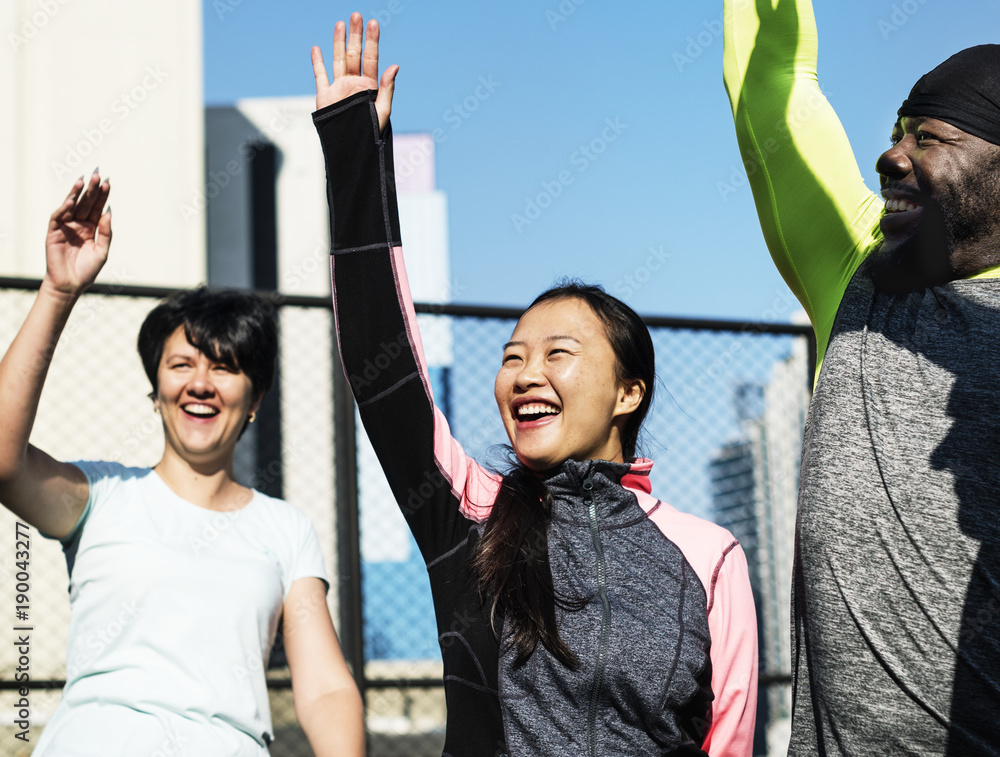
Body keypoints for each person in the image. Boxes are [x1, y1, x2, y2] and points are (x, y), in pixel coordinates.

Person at [311, 14, 758, 756]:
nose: (525, 373)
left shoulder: (710, 555)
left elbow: (731, 737)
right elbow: (380, 366)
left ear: (629, 391)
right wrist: (358, 151)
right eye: (514, 355)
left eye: (559, 353)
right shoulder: (472, 515)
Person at [0, 173, 364, 756]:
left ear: (255, 399)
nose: (200, 383)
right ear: (155, 391)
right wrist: (58, 290)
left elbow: (324, 688)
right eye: (181, 365)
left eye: (224, 367)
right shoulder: (100, 497)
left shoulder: (285, 529)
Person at [723, 0, 1000, 753]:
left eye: (929, 136)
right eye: (896, 133)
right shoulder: (858, 277)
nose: (893, 155)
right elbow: (770, 84)